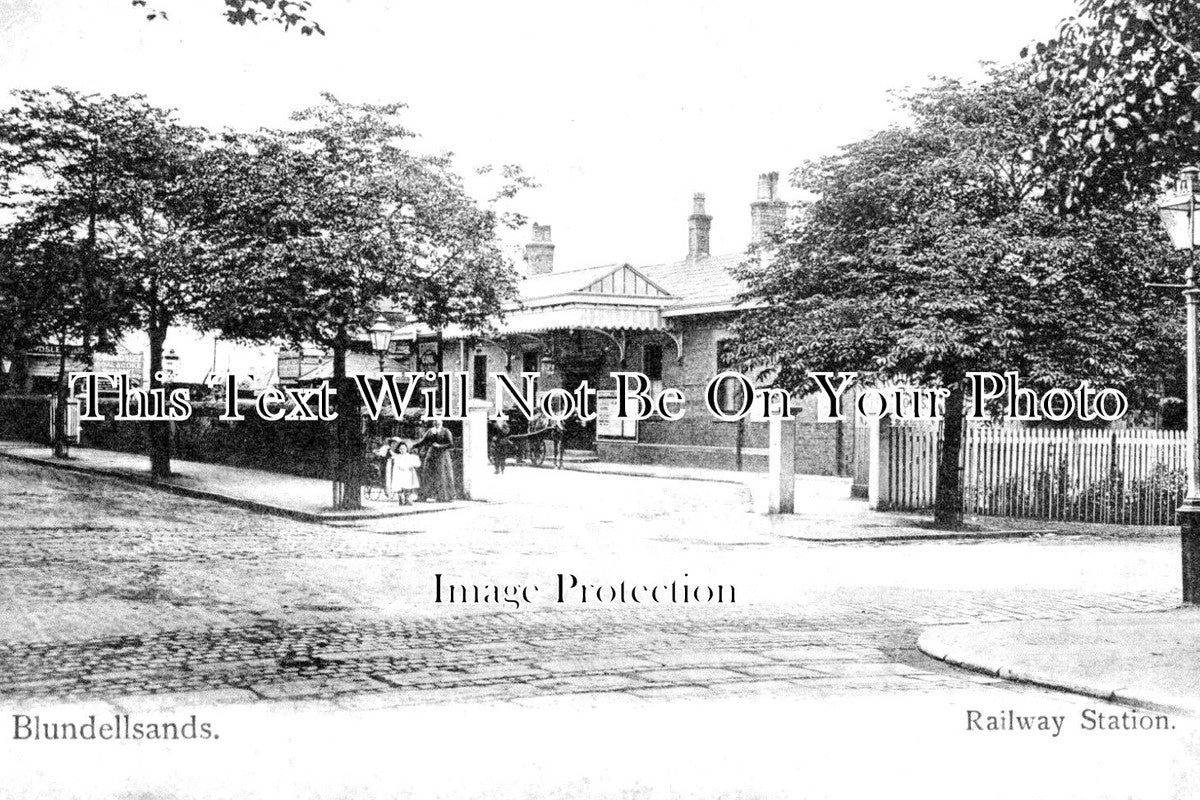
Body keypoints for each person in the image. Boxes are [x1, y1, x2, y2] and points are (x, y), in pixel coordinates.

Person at [415, 419, 457, 502]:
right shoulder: (430, 431)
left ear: (442, 422)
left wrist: (439, 446)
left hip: (442, 455)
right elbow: (423, 441)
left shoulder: (446, 431)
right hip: (431, 454)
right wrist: (413, 446)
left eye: (438, 421)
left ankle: (443, 497)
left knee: (441, 474)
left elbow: (451, 444)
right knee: (427, 474)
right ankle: (423, 496)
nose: (436, 423)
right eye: (435, 421)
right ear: (433, 422)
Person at [391, 441, 421, 505]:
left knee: (407, 487)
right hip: (399, 474)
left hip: (407, 474)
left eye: (404, 449)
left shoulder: (409, 456)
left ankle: (407, 500)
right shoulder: (397, 457)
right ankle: (401, 499)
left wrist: (412, 465)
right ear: (399, 450)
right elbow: (397, 465)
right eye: (401, 449)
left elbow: (417, 464)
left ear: (406, 449)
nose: (402, 450)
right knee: (399, 487)